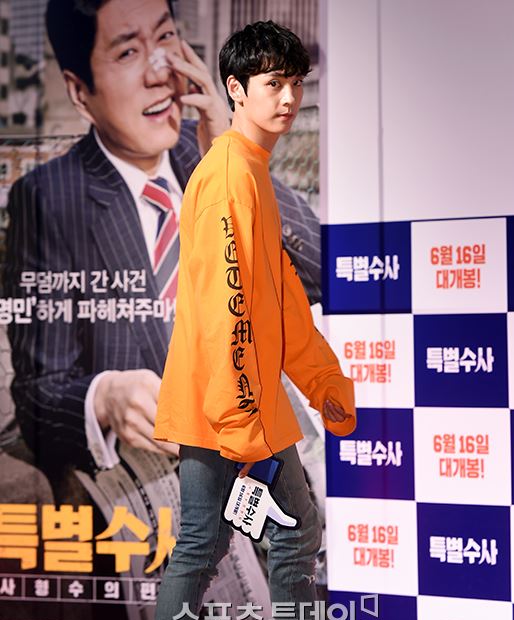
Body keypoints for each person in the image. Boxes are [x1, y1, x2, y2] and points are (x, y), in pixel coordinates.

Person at [124, 20, 406, 620]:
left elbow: (279, 301)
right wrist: (247, 429)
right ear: (235, 90)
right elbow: (227, 315)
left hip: (228, 408)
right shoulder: (228, 175)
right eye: (271, 83)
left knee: (203, 548)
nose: (286, 97)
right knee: (290, 536)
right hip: (233, 411)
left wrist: (324, 383)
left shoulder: (248, 172)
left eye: (294, 83)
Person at [4, 0, 321, 483]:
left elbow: (323, 275)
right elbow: (36, 396)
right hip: (169, 479)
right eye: (128, 52)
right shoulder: (49, 196)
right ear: (80, 92)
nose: (160, 73)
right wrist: (103, 397)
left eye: (165, 37)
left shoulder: (211, 148)